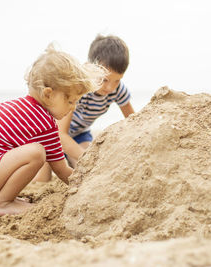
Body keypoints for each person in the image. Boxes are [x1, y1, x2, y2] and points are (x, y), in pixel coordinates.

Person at [0, 44, 106, 215]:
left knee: (25, 150)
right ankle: (3, 203)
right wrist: (88, 182)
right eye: (71, 101)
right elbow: (61, 170)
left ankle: (6, 197)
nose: (73, 108)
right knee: (36, 153)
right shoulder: (45, 123)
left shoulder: (16, 106)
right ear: (48, 94)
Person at [34, 34, 135, 182]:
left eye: (117, 80)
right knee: (43, 176)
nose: (110, 87)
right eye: (104, 79)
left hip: (80, 134)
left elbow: (134, 122)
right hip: (50, 136)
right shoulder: (78, 88)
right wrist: (86, 159)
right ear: (90, 67)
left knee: (85, 172)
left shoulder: (118, 90)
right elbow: (60, 135)